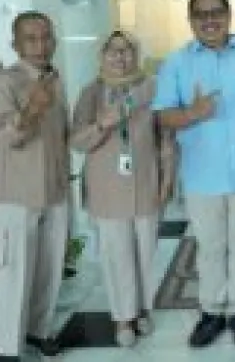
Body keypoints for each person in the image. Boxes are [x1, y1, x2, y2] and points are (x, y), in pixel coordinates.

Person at [152, 0, 235, 349]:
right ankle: (212, 312)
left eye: (216, 12)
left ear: (229, 16)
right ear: (190, 21)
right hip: (202, 174)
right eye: (201, 14)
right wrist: (193, 113)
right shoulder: (176, 63)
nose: (210, 20)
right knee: (209, 247)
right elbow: (163, 116)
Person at [70, 30, 174, 347]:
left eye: (126, 50)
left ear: (136, 53)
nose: (120, 57)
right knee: (117, 255)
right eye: (112, 51)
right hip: (107, 187)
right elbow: (77, 141)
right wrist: (103, 123)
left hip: (146, 182)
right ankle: (122, 317)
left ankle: (142, 308)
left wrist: (167, 179)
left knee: (145, 252)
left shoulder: (152, 88)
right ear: (101, 55)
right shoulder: (91, 92)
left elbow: (166, 139)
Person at [0, 11, 68, 361]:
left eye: (46, 37)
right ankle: (8, 348)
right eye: (31, 39)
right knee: (15, 275)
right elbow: (4, 140)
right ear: (15, 44)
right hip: (16, 195)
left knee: (49, 270)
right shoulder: (6, 83)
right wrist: (32, 109)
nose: (41, 45)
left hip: (54, 191)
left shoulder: (55, 78)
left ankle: (38, 331)